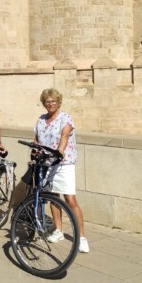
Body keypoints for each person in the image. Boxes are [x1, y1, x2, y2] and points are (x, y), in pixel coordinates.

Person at [34, 88, 89, 253]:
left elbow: (65, 135)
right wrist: (35, 150)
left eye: (53, 101)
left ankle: (81, 237)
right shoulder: (41, 119)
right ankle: (58, 230)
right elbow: (37, 139)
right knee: (53, 197)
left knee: (70, 199)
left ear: (59, 102)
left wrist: (60, 152)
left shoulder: (65, 117)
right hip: (47, 164)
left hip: (64, 163)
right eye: (47, 101)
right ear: (44, 103)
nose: (50, 104)